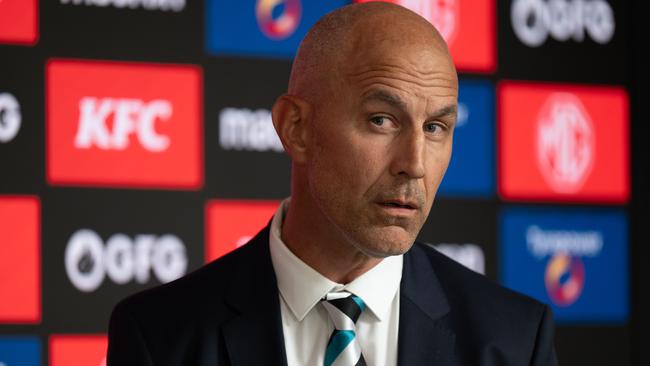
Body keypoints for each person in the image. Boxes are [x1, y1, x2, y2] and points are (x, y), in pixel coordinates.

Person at [107, 3, 558, 365]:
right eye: (382, 120)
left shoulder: (514, 339)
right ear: (296, 127)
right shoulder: (159, 337)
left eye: (436, 128)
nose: (415, 164)